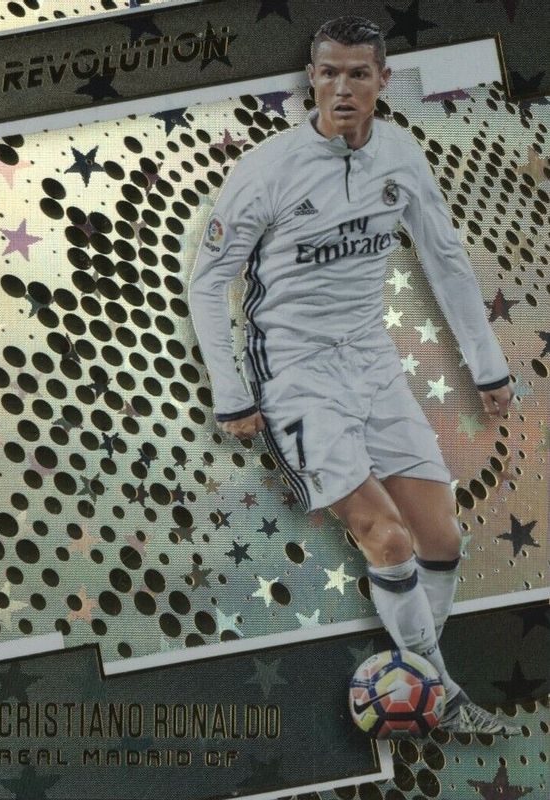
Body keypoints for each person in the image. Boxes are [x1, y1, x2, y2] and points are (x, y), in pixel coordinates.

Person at [189, 15, 519, 735]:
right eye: (328, 72)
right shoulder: (267, 171)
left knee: (441, 542)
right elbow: (206, 281)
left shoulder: (399, 155)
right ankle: (440, 698)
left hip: (372, 360)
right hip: (294, 372)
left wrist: (487, 366)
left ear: (381, 81)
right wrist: (231, 393)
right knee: (387, 539)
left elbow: (445, 259)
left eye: (358, 74)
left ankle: (414, 678)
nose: (342, 88)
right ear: (311, 78)